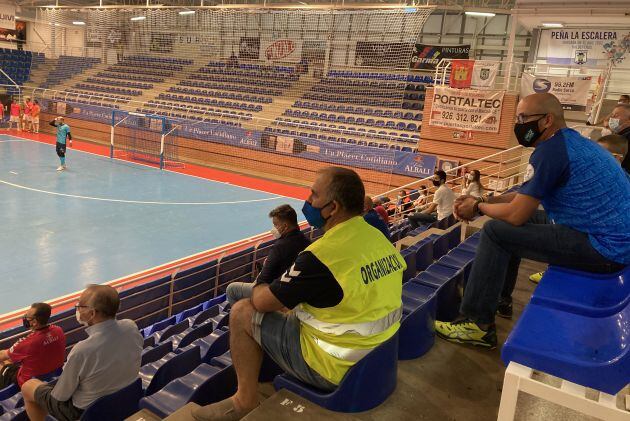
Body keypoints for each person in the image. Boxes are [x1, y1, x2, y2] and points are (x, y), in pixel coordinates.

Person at [192, 167, 405, 421]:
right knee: (289, 304)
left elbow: (261, 300)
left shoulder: (323, 254)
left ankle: (243, 401)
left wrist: (262, 281)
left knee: (241, 311)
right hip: (379, 353)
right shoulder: (376, 237)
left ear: (333, 208)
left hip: (333, 365)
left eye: (314, 195)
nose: (308, 201)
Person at [435, 93, 630, 349]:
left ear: (547, 120)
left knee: (496, 231)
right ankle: (500, 300)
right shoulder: (568, 143)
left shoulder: (551, 152)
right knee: (508, 227)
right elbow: (523, 195)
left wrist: (478, 207)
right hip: (602, 235)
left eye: (524, 118)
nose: (519, 124)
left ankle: (477, 324)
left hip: (604, 248)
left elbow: (517, 214)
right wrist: (487, 200)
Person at [21, 285, 143, 421]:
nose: (78, 309)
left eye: (80, 306)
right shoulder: (131, 326)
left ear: (92, 314)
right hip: (126, 396)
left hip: (87, 412)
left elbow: (60, 396)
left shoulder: (82, 350)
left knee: (28, 386)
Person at [226, 204, 311, 305]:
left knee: (232, 289)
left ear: (285, 226)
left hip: (277, 293)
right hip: (296, 291)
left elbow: (262, 281)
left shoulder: (280, 247)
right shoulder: (307, 242)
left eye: (275, 225)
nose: (273, 229)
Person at [0, 303, 65, 390]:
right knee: (10, 359)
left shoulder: (26, 343)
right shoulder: (58, 330)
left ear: (34, 322)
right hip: (55, 373)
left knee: (3, 362)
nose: (25, 318)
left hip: (30, 383)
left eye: (27, 317)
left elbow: (2, 356)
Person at [607, 103, 630, 173]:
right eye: (612, 115)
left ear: (628, 120)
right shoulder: (620, 135)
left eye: (616, 115)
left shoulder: (626, 138)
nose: (611, 118)